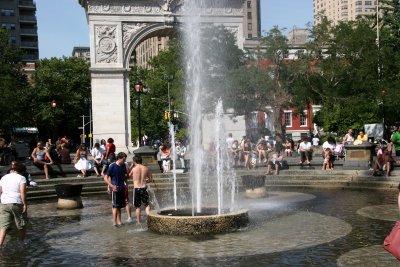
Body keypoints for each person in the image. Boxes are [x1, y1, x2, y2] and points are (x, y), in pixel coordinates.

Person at [0, 162, 28, 248]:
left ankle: (0, 245)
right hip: (16, 202)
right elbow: (22, 191)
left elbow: (0, 191)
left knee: (3, 225)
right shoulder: (22, 178)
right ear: (22, 171)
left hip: (4, 202)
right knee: (21, 223)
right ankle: (21, 243)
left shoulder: (3, 177)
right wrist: (25, 204)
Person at [104, 152, 129, 227]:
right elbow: (105, 177)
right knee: (115, 206)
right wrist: (111, 186)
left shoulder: (123, 165)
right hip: (115, 189)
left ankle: (119, 221)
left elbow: (124, 176)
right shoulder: (112, 166)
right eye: (123, 160)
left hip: (122, 188)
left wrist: (126, 183)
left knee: (119, 206)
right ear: (119, 158)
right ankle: (114, 223)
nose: (124, 161)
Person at [129, 156, 153, 224]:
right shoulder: (146, 168)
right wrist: (146, 181)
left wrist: (131, 166)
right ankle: (149, 218)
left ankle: (138, 222)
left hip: (137, 188)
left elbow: (128, 175)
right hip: (144, 188)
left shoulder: (134, 168)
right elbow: (150, 179)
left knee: (137, 207)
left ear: (134, 161)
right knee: (147, 205)